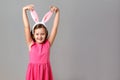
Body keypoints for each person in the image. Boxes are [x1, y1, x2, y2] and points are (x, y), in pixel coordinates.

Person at [22, 4, 60, 80]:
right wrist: (24, 10)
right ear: (33, 34)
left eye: (42, 34)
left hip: (45, 72)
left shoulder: (48, 43)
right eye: (37, 34)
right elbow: (26, 27)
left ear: (46, 34)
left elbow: (55, 28)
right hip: (33, 72)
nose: (39, 36)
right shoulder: (31, 43)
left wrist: (57, 12)